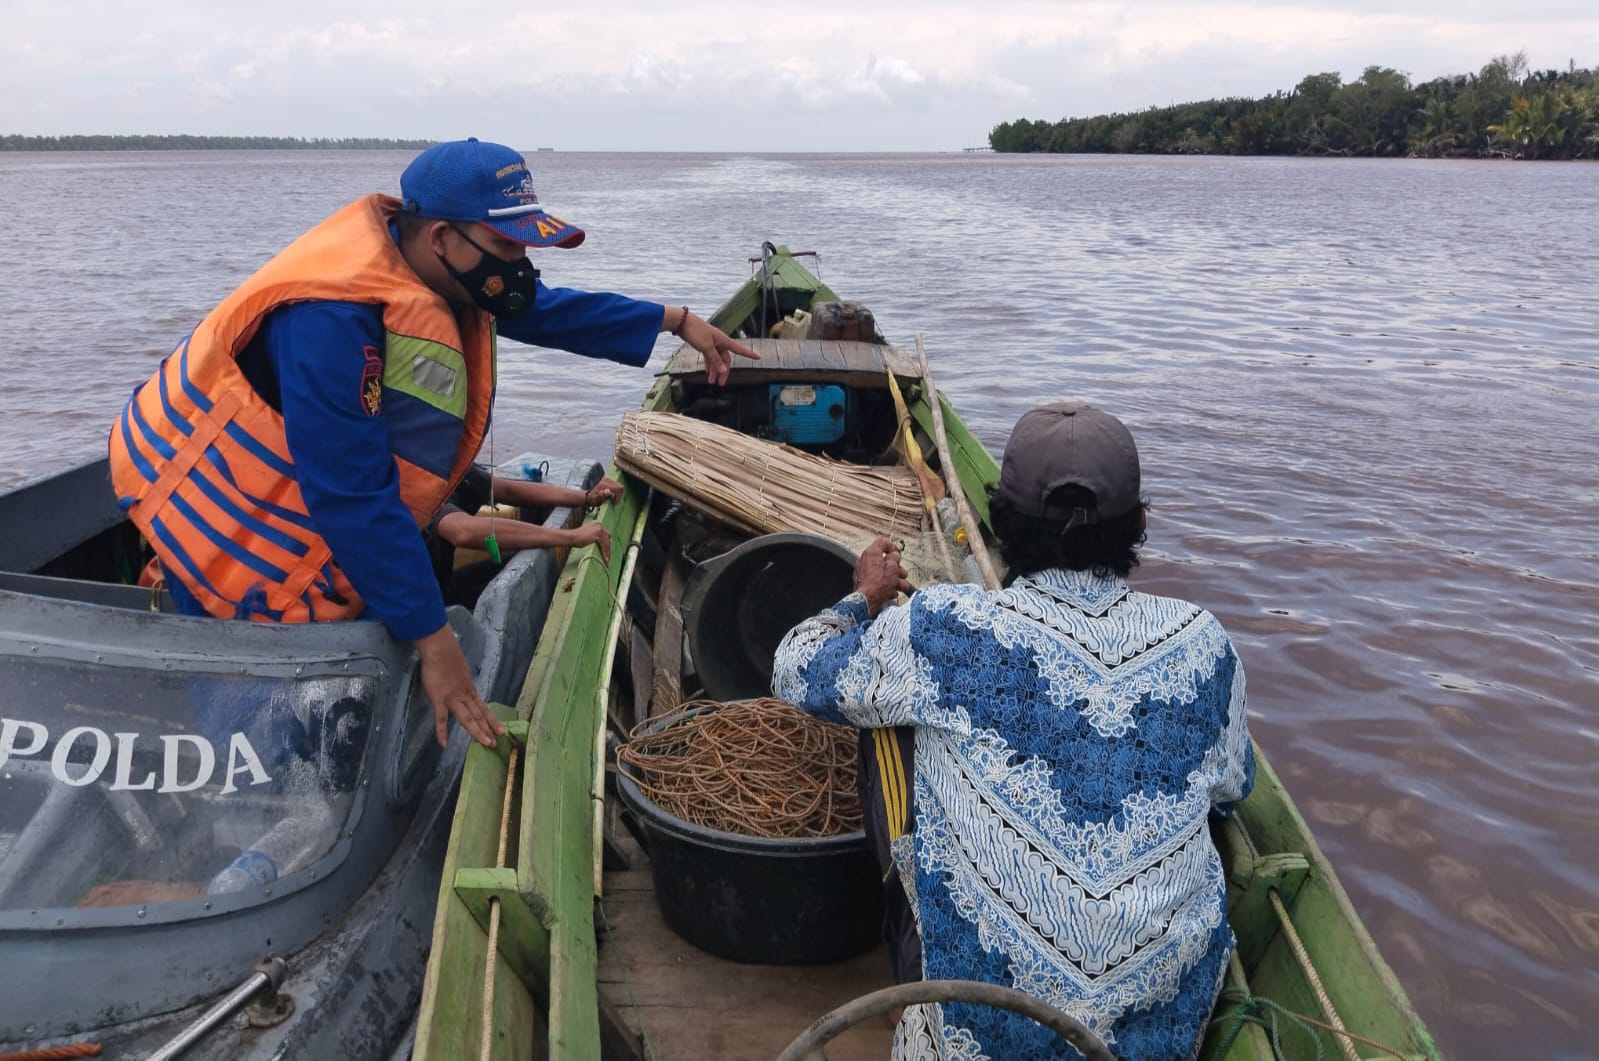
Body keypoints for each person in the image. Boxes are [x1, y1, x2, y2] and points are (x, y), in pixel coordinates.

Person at [108, 137, 758, 749]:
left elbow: (543, 309)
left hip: (323, 509)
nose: (521, 268)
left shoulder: (444, 268)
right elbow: (351, 495)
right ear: (444, 236)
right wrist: (435, 642)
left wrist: (675, 321)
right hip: (227, 535)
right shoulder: (330, 319)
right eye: (509, 247)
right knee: (252, 733)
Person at [772, 401, 1255, 1060]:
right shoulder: (1204, 642)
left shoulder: (939, 625)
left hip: (977, 1044)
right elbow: (1230, 788)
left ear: (1000, 522)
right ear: (1139, 523)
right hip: (1152, 1046)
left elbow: (793, 668)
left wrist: (864, 595)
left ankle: (910, 985)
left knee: (881, 718)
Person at [423, 463, 622, 606]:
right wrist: (572, 537)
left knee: (510, 567)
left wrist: (586, 497)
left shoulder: (446, 465)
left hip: (441, 584)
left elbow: (508, 490)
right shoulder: (411, 483)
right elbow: (463, 531)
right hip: (418, 610)